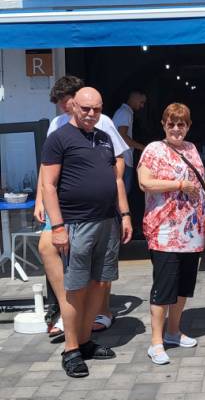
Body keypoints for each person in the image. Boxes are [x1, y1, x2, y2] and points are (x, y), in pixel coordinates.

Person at [34, 76, 132, 336]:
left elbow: (117, 160)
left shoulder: (103, 123)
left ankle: (99, 312)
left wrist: (119, 201)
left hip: (100, 210)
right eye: (61, 103)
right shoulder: (57, 126)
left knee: (99, 266)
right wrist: (40, 199)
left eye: (65, 100)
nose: (63, 106)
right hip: (65, 207)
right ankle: (68, 314)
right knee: (49, 248)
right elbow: (47, 168)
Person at [137, 103, 205, 365]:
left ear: (188, 126)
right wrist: (178, 184)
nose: (176, 129)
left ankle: (174, 332)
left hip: (192, 231)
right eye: (171, 124)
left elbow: (198, 181)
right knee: (164, 288)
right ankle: (156, 342)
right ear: (163, 125)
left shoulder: (191, 148)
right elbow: (145, 182)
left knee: (183, 287)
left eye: (181, 124)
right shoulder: (154, 149)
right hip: (164, 232)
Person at [112, 89, 147, 193]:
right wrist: (144, 148)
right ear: (134, 97)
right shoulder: (125, 112)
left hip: (120, 158)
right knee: (122, 192)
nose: (142, 106)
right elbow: (123, 136)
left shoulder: (123, 111)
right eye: (141, 102)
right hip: (123, 159)